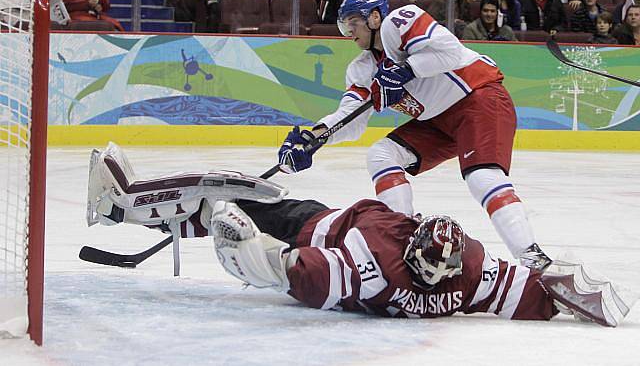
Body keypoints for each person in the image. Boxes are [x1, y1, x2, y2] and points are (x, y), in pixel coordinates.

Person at [85, 142, 632, 327]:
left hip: (315, 229)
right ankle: (133, 211)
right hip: (326, 230)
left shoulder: (367, 269)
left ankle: (120, 207)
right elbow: (532, 294)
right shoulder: (469, 276)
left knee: (225, 197)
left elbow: (289, 274)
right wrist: (572, 296)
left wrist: (246, 245)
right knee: (231, 201)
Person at [277, 0, 553, 270]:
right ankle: (402, 237)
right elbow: (350, 118)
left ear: (374, 17)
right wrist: (315, 137)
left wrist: (405, 70)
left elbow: (449, 51)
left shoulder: (400, 22)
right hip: (436, 123)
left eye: (352, 22)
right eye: (345, 25)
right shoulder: (361, 69)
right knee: (382, 155)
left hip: (478, 97)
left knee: (482, 177)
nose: (349, 31)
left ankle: (533, 258)